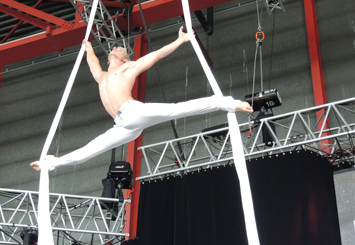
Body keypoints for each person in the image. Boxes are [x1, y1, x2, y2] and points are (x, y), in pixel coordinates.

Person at [31, 27, 253, 171]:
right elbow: (92, 64)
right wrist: (88, 48)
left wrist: (179, 41)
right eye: (116, 47)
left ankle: (229, 103)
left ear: (125, 59)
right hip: (123, 125)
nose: (116, 47)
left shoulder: (128, 69)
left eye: (120, 49)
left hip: (133, 112)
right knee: (91, 149)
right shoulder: (103, 77)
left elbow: (156, 56)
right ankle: (51, 164)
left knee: (178, 109)